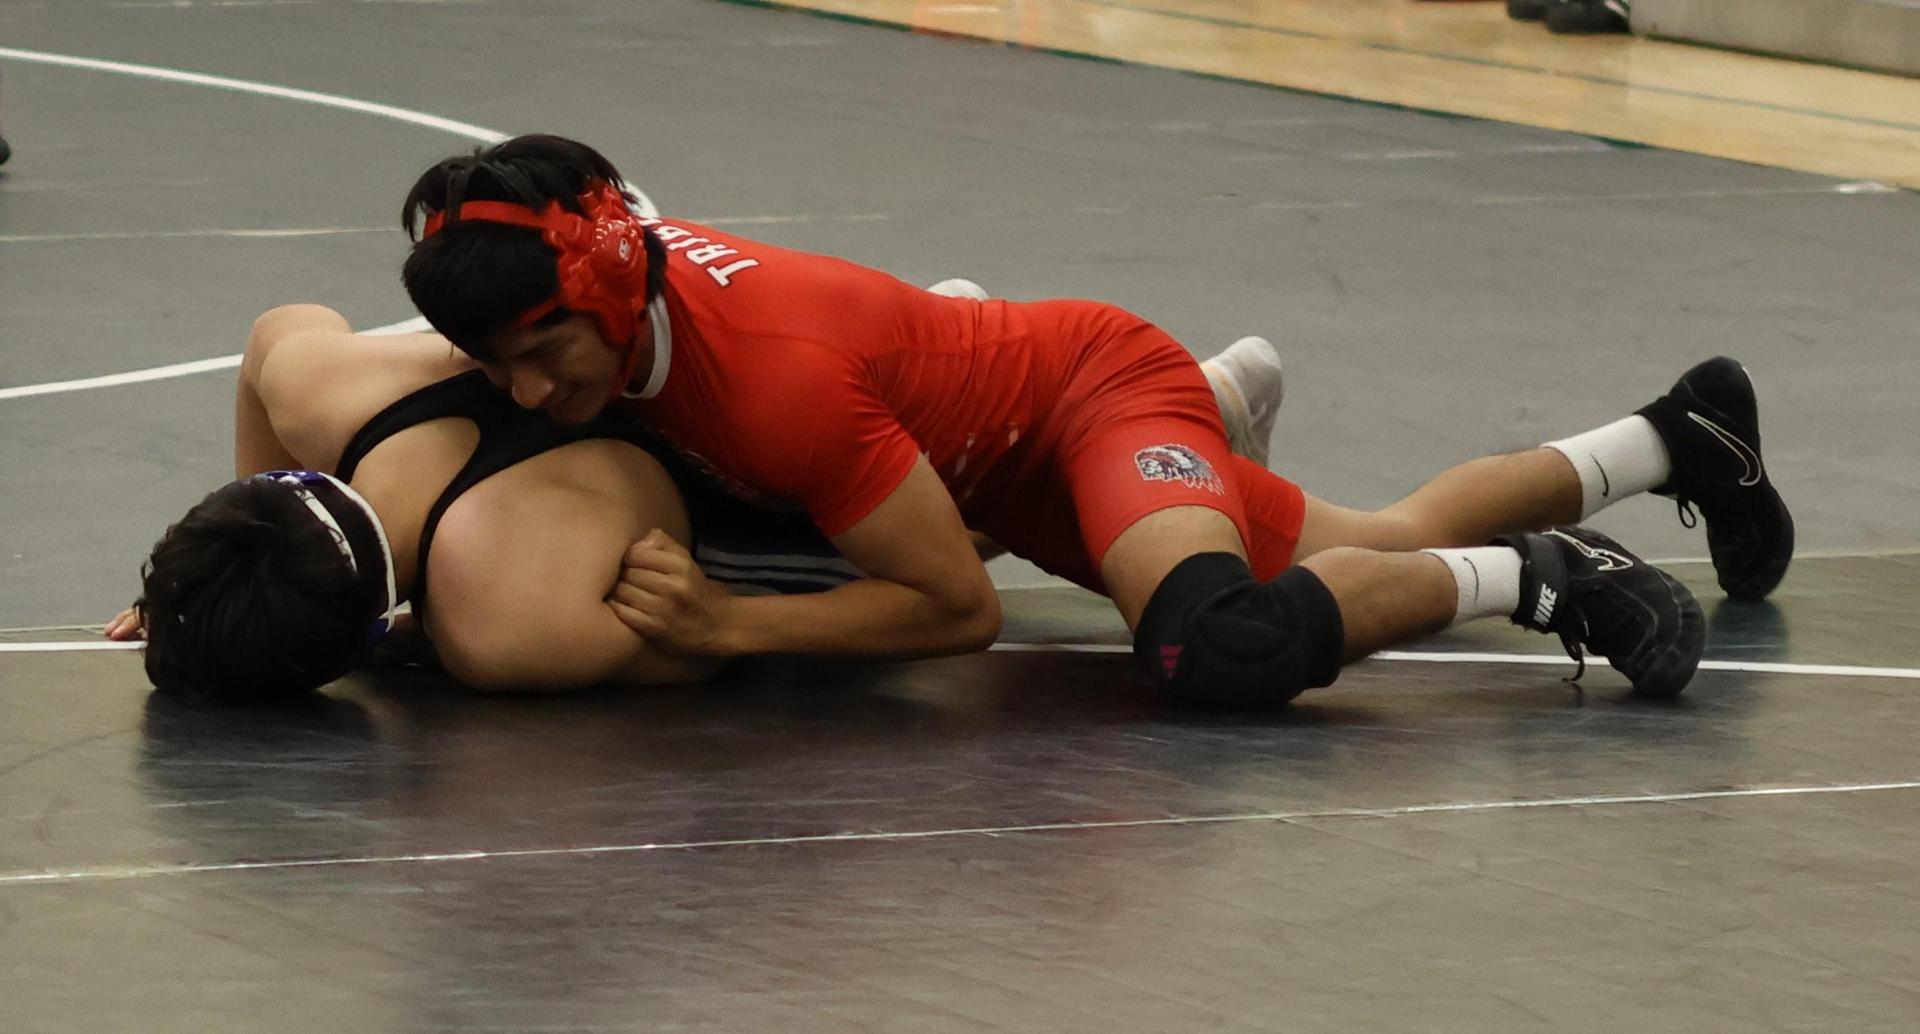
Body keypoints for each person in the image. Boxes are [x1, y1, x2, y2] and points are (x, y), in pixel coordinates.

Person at [399, 134, 1792, 705]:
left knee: (1214, 641)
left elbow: (953, 612)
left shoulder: (772, 379)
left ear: (601, 275)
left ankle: (1546, 581)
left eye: (541, 353)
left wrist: (731, 625)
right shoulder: (599, 262)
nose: (523, 391)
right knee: (1376, 538)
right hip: (994, 458)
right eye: (496, 361)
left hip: (1085, 392)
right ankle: (1681, 434)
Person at [111, 302, 1282, 704]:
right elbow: (267, 342)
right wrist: (226, 559)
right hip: (743, 371)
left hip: (796, 486)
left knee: (865, 547)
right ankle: (1168, 401)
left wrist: (319, 632)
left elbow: (695, 654)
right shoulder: (331, 385)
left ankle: (1198, 409)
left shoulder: (500, 628)